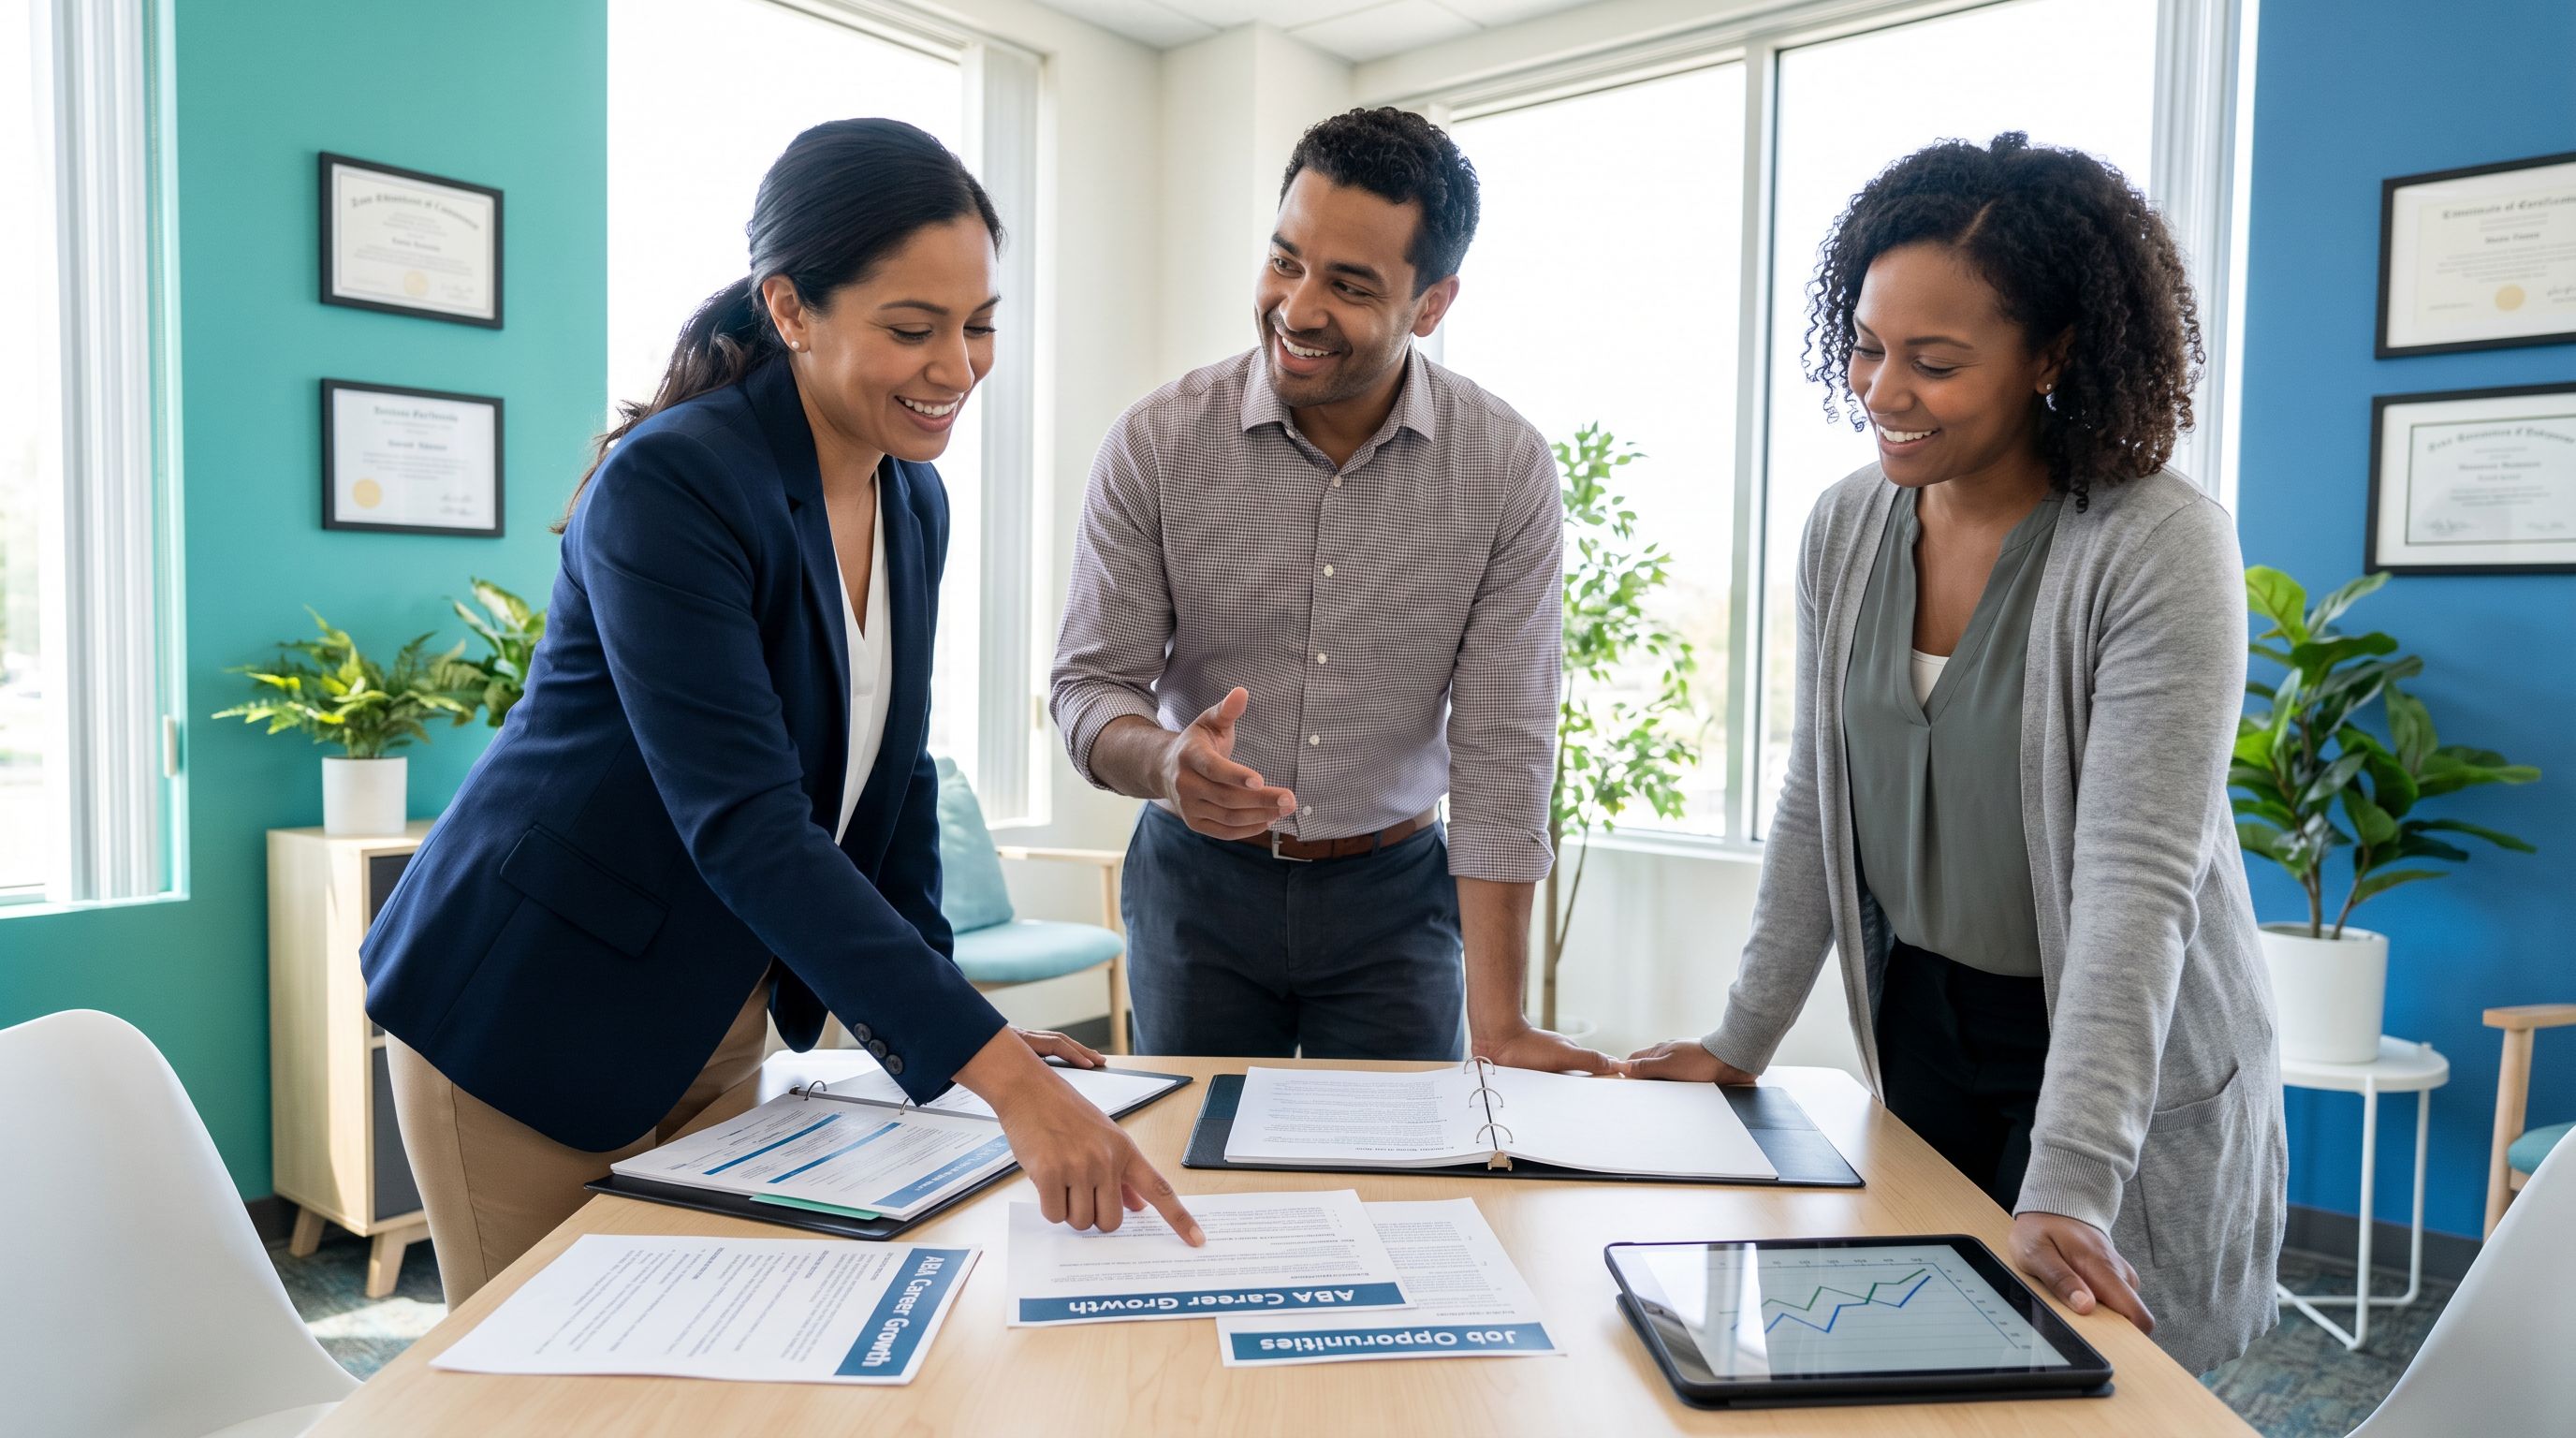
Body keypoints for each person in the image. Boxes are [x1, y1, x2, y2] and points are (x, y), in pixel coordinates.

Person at [362, 120, 1199, 1306]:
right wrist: (1002, 1076)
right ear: (791, 309)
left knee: (689, 1356)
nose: (956, 368)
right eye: (911, 329)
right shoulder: (673, 483)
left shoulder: (913, 502)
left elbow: (894, 774)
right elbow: (748, 822)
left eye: (979, 325)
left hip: (708, 1011)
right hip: (526, 1010)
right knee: (545, 1383)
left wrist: (955, 1029)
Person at [1627, 132, 2285, 1374]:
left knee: (2102, 1378)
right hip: (1922, 1018)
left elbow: (2140, 888)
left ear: (2053, 354)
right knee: (1911, 1356)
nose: (1882, 392)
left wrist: (2076, 1179)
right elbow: (1822, 804)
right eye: (1867, 347)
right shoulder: (1847, 527)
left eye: (1934, 363)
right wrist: (1740, 1041)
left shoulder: (2157, 548)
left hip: (2103, 1037)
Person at [1048, 108, 1612, 1074]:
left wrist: (1503, 1023)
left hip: (1395, 900)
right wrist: (1165, 761)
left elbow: (1501, 742)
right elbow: (1090, 686)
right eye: (1284, 261)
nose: (1297, 308)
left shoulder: (1504, 467)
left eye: (1349, 286)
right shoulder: (1156, 443)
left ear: (1431, 305)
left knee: (1402, 1186)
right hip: (1197, 886)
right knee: (1200, 1178)